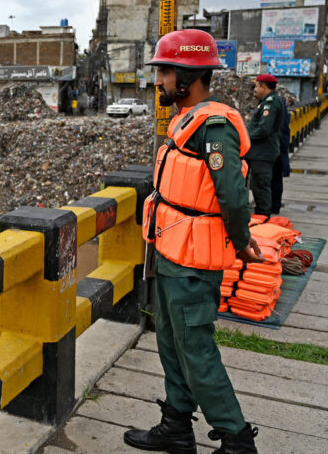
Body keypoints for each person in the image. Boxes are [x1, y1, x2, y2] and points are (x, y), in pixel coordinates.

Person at [124, 29, 264, 454]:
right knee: (170, 342)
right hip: (171, 252)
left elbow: (233, 196)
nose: (159, 81)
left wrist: (242, 242)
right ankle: (176, 426)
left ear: (186, 76)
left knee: (196, 348)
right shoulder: (187, 118)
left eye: (164, 72)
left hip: (193, 262)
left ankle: (237, 439)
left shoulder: (214, 126)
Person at [246, 74, 285, 217]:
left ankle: (263, 217)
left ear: (263, 86)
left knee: (260, 186)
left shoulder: (271, 103)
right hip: (260, 152)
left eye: (257, 86)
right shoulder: (269, 101)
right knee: (258, 185)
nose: (255, 89)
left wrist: (245, 137)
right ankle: (262, 214)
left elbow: (264, 129)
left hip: (262, 153)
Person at [271, 94, 293, 214]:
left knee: (274, 178)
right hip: (280, 146)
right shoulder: (281, 103)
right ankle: (275, 205)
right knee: (276, 178)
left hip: (276, 147)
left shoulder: (274, 104)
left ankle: (273, 206)